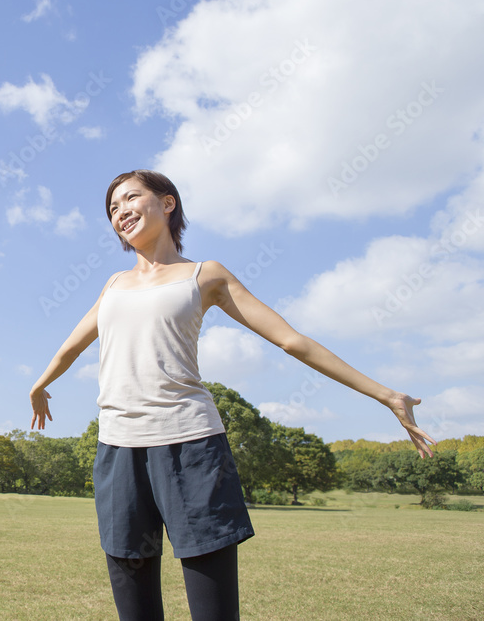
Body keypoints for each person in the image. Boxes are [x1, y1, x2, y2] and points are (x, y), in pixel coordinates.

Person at [28, 170, 436, 621]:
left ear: (166, 204)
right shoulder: (113, 285)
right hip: (118, 449)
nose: (120, 211)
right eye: (112, 208)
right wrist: (41, 382)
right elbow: (71, 346)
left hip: (190, 445)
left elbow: (290, 339)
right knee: (133, 602)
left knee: (212, 610)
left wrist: (384, 394)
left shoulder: (206, 275)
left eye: (130, 198)